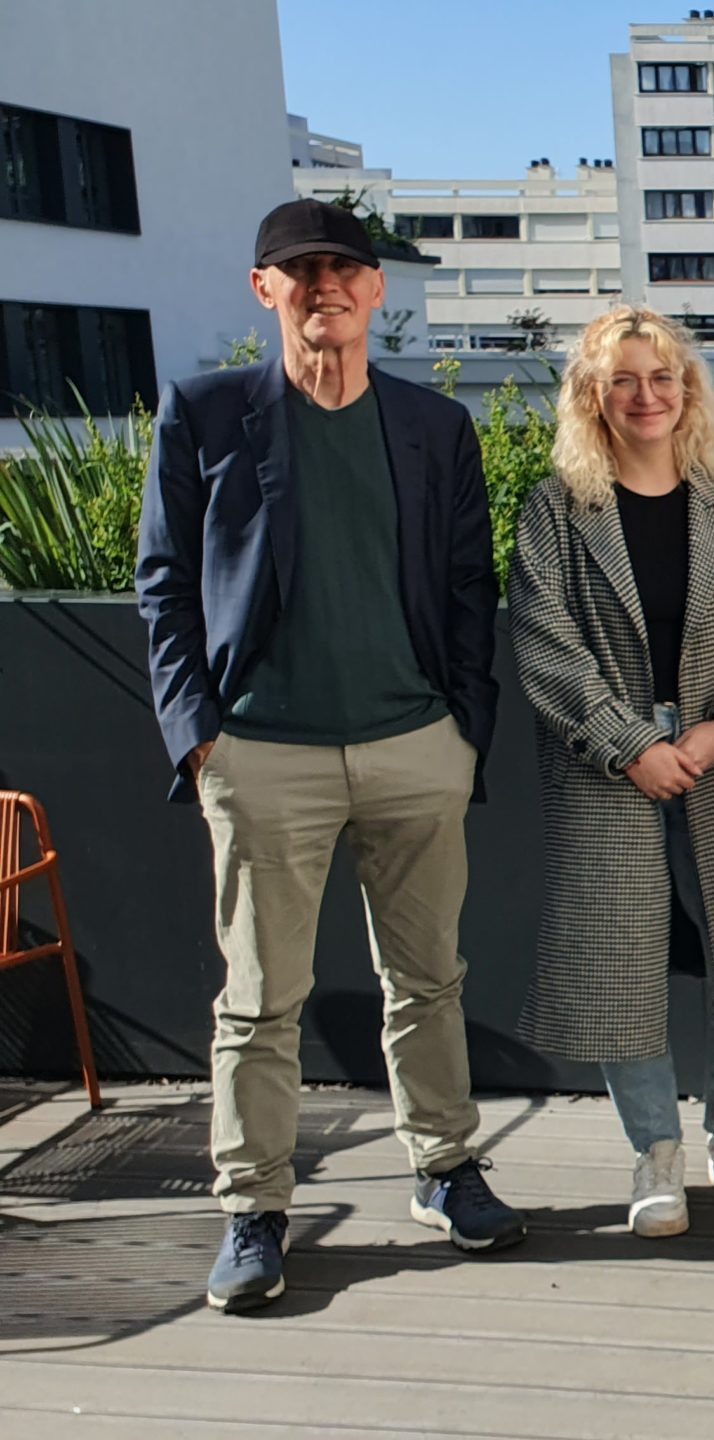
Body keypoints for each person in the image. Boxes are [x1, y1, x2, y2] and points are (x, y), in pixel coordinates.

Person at [137, 198, 525, 1313]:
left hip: (415, 747)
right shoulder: (207, 413)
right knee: (260, 1001)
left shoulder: (433, 426)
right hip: (262, 752)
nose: (326, 288)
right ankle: (254, 1207)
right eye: (300, 271)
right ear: (264, 290)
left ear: (376, 289)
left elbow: (469, 585)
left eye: (345, 270)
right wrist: (198, 736)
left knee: (430, 979)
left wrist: (463, 731)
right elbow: (163, 583)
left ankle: (444, 1168)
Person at [508, 307, 714, 1239]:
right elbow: (545, 643)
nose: (647, 396)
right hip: (607, 764)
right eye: (624, 380)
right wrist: (629, 742)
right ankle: (655, 1150)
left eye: (662, 377)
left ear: (688, 390)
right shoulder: (557, 509)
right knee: (621, 962)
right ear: (592, 396)